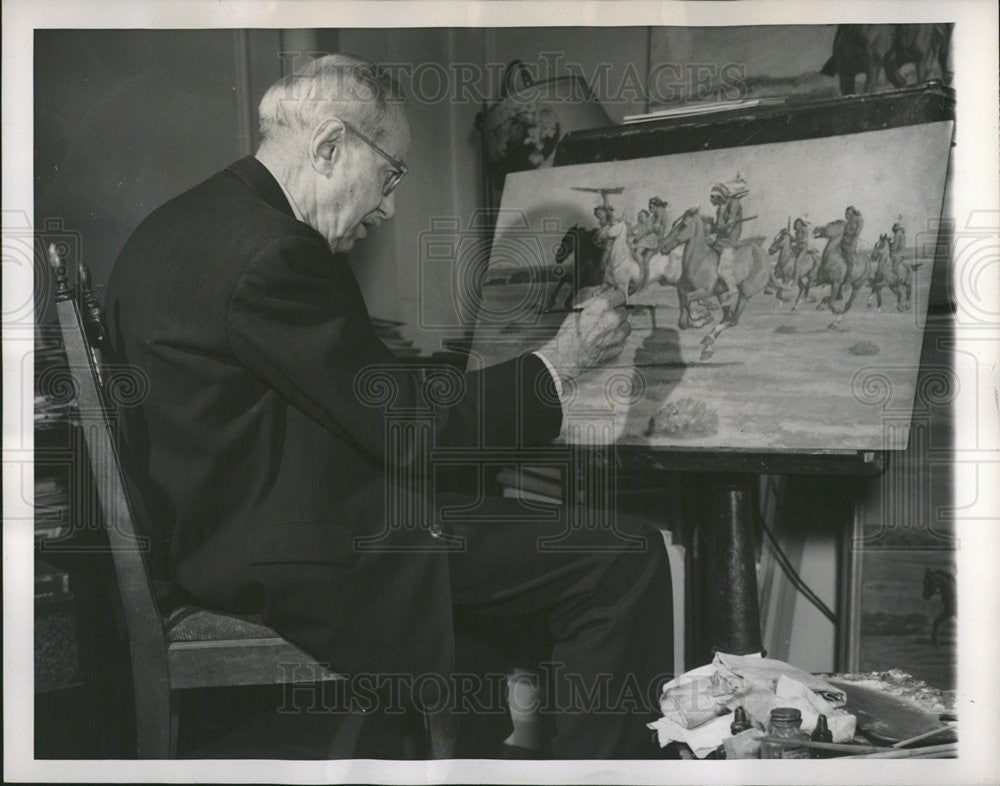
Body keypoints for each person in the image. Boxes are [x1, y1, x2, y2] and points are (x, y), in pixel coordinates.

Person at [103, 54, 672, 759]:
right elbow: (409, 427)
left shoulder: (180, 227)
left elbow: (338, 385)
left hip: (223, 535)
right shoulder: (273, 252)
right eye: (391, 174)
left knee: (511, 545)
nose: (390, 206)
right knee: (624, 555)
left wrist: (451, 380)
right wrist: (561, 364)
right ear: (329, 146)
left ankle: (479, 752)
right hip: (305, 555)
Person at [707, 176, 748, 306]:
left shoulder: (734, 204)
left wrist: (722, 227)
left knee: (722, 271)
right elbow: (719, 225)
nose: (710, 200)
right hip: (720, 238)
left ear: (719, 196)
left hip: (729, 240)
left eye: (712, 197)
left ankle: (733, 290)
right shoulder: (721, 207)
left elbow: (729, 226)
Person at [842, 204, 864, 278]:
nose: (847, 216)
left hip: (852, 242)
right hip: (844, 241)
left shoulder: (859, 219)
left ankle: (849, 275)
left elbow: (857, 232)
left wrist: (849, 233)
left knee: (849, 256)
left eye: (848, 214)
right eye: (846, 214)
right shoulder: (848, 222)